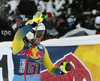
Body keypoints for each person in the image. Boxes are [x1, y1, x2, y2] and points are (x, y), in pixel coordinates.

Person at [12, 6, 71, 81]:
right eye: (39, 34)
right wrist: (32, 24)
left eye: (42, 34)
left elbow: (51, 69)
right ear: (30, 34)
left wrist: (61, 71)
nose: (41, 37)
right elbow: (18, 35)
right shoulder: (19, 46)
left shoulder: (41, 49)